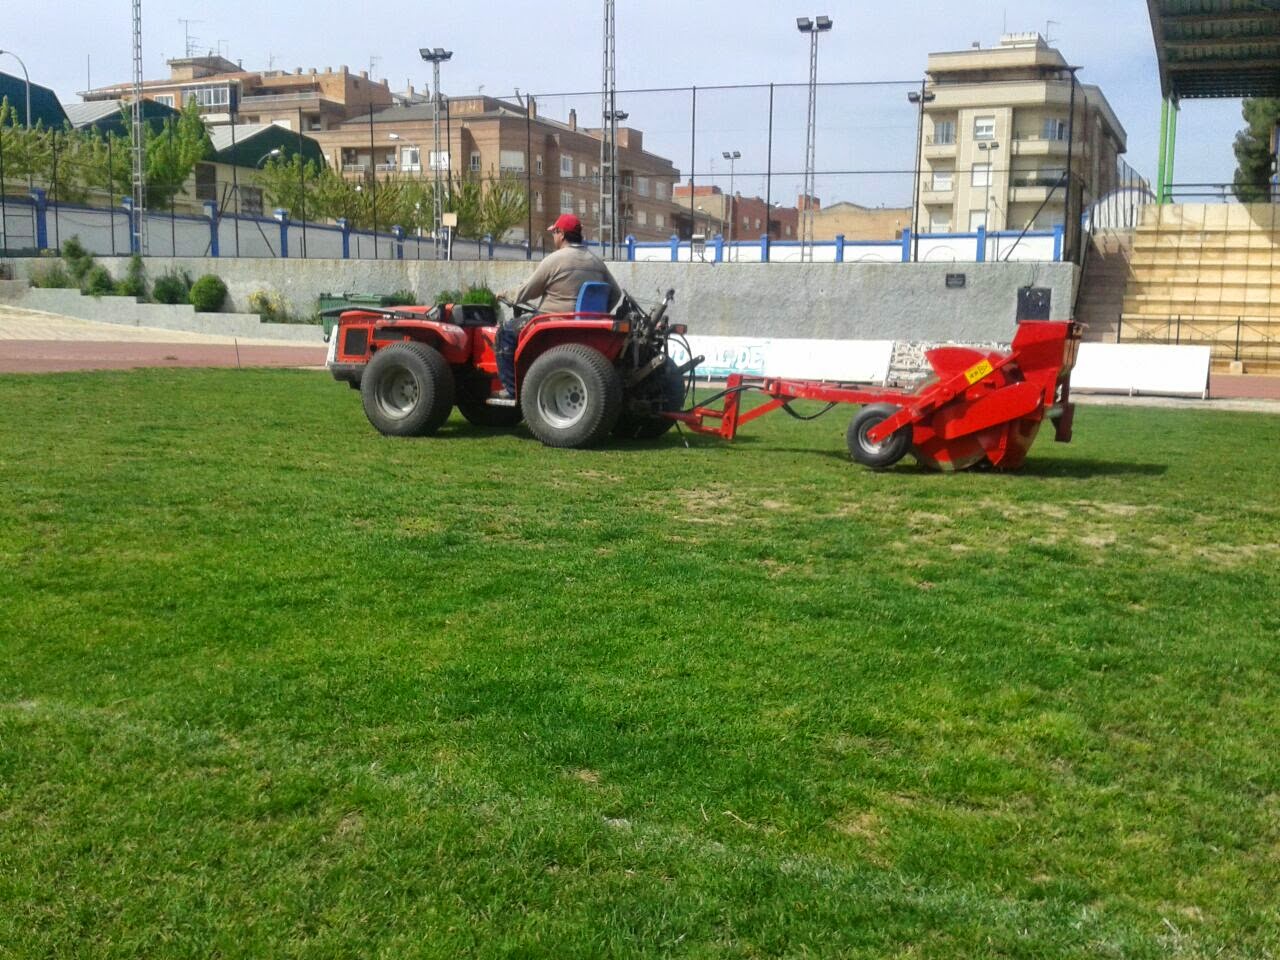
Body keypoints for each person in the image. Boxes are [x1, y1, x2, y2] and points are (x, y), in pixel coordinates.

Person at [494, 213, 623, 396]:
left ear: (561, 234)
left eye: (554, 232)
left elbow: (526, 292)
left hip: (552, 320)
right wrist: (597, 314)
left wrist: (505, 295)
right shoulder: (596, 261)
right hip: (586, 324)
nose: (553, 236)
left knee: (505, 332)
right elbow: (616, 293)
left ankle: (512, 389)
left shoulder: (555, 260)